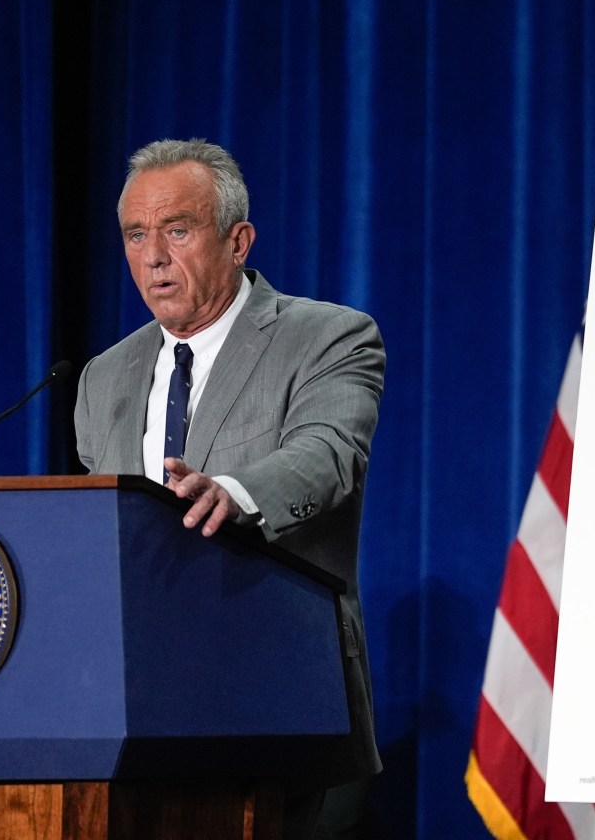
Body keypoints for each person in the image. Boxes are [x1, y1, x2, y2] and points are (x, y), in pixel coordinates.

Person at [74, 138, 384, 836]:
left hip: (281, 709)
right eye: (135, 234)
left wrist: (237, 493)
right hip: (137, 720)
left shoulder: (327, 337)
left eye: (177, 230)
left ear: (237, 240)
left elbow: (329, 453)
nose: (153, 255)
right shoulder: (103, 377)